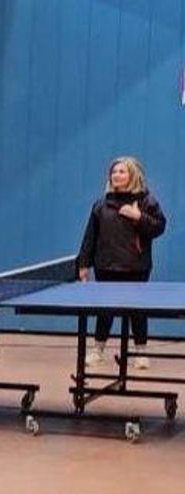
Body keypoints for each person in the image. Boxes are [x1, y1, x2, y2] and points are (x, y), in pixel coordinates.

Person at [77, 156, 166, 370]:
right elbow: (90, 236)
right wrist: (83, 264)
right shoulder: (101, 204)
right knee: (104, 311)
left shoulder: (147, 201)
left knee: (137, 311)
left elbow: (159, 227)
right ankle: (97, 350)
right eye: (114, 172)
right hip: (105, 265)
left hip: (136, 266)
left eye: (122, 171)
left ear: (132, 175)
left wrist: (138, 217)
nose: (116, 175)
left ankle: (141, 353)